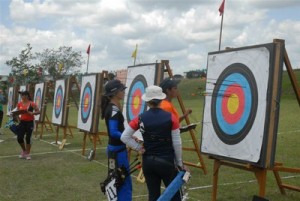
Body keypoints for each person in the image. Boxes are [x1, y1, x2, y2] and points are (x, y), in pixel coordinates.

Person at [121, 85, 184, 201]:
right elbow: (177, 142)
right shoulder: (171, 117)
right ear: (161, 99)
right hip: (167, 161)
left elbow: (124, 137)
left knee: (153, 196)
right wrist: (180, 163)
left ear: (147, 101)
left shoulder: (139, 118)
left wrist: (139, 148)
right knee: (175, 196)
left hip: (148, 162)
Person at [100, 79, 132, 201]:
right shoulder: (113, 109)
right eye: (121, 90)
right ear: (114, 93)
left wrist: (127, 135)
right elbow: (113, 132)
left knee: (117, 180)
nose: (123, 92)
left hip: (115, 149)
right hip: (118, 151)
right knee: (122, 181)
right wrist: (127, 136)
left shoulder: (112, 107)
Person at [16, 90, 40, 160]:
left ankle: (27, 154)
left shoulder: (32, 104)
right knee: (19, 138)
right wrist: (18, 119)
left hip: (30, 122)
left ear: (26, 96)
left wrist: (33, 113)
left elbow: (38, 111)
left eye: (22, 95)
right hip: (22, 122)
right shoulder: (19, 104)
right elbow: (17, 112)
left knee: (28, 138)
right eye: (21, 95)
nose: (21, 97)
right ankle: (24, 151)